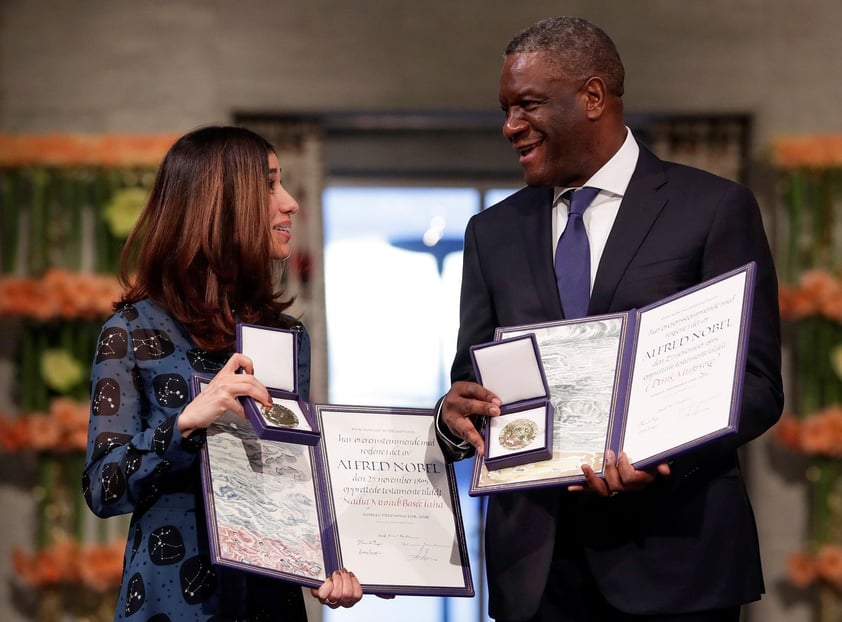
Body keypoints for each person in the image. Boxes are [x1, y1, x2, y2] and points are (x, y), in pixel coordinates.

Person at [436, 17, 783, 622]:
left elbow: (756, 386)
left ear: (593, 97)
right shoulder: (491, 232)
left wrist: (663, 459)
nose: (510, 126)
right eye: (505, 108)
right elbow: (473, 375)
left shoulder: (712, 209)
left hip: (675, 567)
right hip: (537, 575)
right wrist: (455, 411)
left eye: (527, 105)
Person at [82, 125, 363, 620]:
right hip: (171, 601)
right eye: (271, 185)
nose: (290, 202)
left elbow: (289, 478)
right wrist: (186, 423)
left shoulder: (286, 336)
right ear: (221, 203)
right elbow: (104, 488)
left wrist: (331, 561)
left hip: (268, 601)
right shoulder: (131, 330)